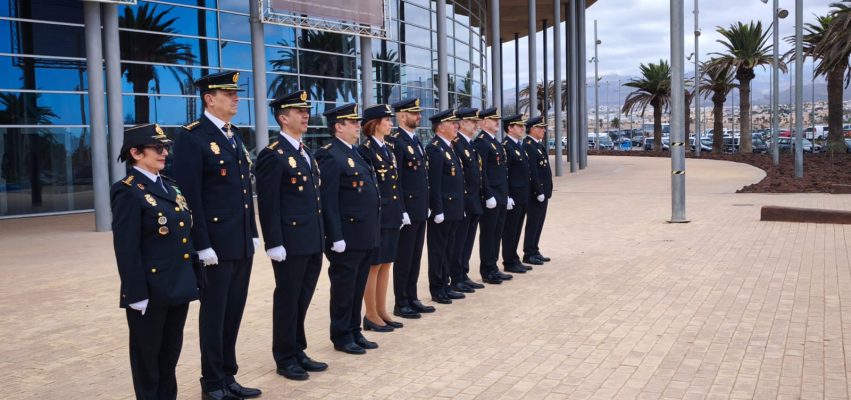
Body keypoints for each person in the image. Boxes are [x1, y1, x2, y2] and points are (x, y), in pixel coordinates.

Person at [173, 71, 261, 400]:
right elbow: (190, 195)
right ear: (210, 99)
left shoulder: (233, 134)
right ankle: (211, 383)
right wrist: (202, 244)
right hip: (215, 246)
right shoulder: (192, 137)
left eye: (236, 93)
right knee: (214, 314)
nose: (236, 98)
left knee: (234, 310)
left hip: (239, 242)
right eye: (229, 93)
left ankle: (228, 376)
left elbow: (242, 192)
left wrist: (252, 232)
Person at [111, 123, 199, 400]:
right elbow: (126, 248)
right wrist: (135, 292)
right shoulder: (128, 191)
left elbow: (185, 234)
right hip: (150, 291)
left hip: (177, 286)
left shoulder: (170, 186)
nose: (164, 153)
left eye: (166, 148)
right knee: (147, 360)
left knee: (169, 357)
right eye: (157, 148)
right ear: (136, 153)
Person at [255, 90, 328, 381]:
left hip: (311, 240)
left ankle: (298, 350)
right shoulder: (272, 155)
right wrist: (274, 243)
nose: (305, 115)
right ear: (283, 118)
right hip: (290, 243)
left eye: (306, 110)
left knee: (303, 298)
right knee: (288, 299)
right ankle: (285, 357)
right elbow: (268, 203)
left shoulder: (305, 152)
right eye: (299, 111)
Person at [315, 103, 381, 355]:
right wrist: (335, 236)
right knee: (344, 288)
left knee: (357, 285)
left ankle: (354, 330)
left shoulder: (355, 153)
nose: (357, 126)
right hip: (346, 236)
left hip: (364, 234)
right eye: (351, 122)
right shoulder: (329, 155)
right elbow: (328, 201)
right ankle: (341, 335)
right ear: (338, 127)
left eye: (357, 122)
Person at [357, 104, 405, 333]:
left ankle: (382, 310)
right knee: (374, 265)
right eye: (386, 120)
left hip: (391, 213)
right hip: (377, 216)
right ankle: (371, 314)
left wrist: (401, 210)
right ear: (374, 123)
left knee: (387, 262)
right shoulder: (365, 150)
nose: (390, 123)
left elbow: (395, 183)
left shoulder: (388, 148)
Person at [387, 98, 435, 319]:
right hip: (407, 211)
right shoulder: (395, 141)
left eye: (419, 113)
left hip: (419, 208)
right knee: (404, 257)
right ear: (402, 116)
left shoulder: (416, 141)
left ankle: (412, 296)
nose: (419, 116)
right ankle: (401, 302)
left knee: (415, 256)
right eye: (414, 113)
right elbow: (396, 180)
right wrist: (402, 209)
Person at [425, 109, 466, 304]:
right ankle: (437, 288)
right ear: (441, 127)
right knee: (438, 250)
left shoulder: (448, 147)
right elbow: (434, 183)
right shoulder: (434, 149)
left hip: (454, 208)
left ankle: (446, 284)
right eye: (453, 124)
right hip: (443, 210)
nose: (456, 126)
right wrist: (438, 209)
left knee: (449, 248)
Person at [473, 108, 514, 285]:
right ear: (483, 123)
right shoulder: (482, 142)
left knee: (497, 233)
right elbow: (482, 173)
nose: (497, 122)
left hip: (501, 195)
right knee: (489, 234)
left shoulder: (495, 143)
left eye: (497, 119)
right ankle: (487, 269)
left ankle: (494, 266)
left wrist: (506, 195)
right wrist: (488, 195)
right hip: (492, 197)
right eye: (493, 119)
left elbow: (502, 172)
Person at [450, 108, 486, 293]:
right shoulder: (457, 144)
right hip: (465, 201)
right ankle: (456, 277)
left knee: (467, 241)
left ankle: (463, 273)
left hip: (474, 201)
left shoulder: (469, 144)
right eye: (472, 122)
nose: (476, 125)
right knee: (459, 242)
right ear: (462, 123)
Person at [501, 114, 532, 275]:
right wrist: (507, 196)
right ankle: (509, 260)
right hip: (513, 196)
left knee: (517, 228)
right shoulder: (506, 146)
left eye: (523, 126)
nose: (522, 128)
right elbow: (505, 173)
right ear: (510, 128)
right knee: (510, 230)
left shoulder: (518, 146)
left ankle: (514, 258)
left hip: (522, 195)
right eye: (519, 126)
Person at [522, 116, 554, 265]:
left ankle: (534, 249)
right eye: (540, 128)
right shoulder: (528, 145)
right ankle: (528, 253)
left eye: (544, 128)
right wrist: (538, 191)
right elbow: (532, 171)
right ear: (532, 129)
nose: (543, 130)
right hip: (535, 193)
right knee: (533, 222)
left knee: (539, 222)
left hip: (543, 192)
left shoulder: (538, 145)